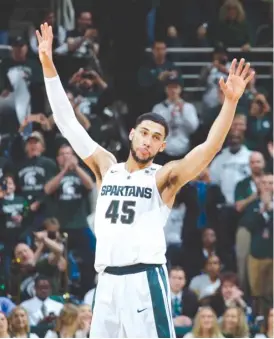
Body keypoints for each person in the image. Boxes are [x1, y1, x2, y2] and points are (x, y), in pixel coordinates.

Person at [36, 23, 254, 338]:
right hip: (107, 281)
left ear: (162, 146)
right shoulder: (105, 166)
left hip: (144, 280)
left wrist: (230, 104)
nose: (148, 142)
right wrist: (47, 64)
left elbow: (208, 150)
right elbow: (67, 123)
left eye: (156, 138)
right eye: (144, 134)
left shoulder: (164, 177)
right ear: (132, 134)